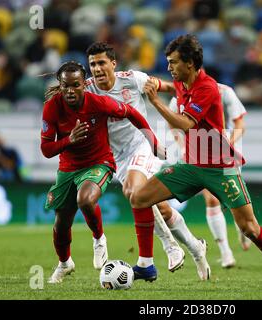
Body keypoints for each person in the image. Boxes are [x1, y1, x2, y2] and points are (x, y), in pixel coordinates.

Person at [131, 34, 262, 292]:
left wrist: (155, 101)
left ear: (191, 64)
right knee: (139, 198)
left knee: (249, 228)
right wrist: (150, 83)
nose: (170, 67)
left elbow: (184, 123)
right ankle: (146, 264)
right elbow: (173, 86)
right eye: (169, 62)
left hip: (220, 168)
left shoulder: (207, 88)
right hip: (192, 166)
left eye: (174, 62)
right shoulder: (183, 81)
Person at [84, 42, 210, 280]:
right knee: (159, 207)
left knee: (135, 192)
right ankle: (196, 248)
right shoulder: (87, 89)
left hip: (142, 144)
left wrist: (192, 98)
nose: (97, 69)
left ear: (113, 64)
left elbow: (170, 87)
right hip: (116, 156)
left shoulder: (132, 79)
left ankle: (159, 254)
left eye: (101, 63)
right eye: (92, 64)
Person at [41, 61, 163, 283]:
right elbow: (46, 149)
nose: (70, 90)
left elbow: (132, 113)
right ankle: (65, 263)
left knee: (85, 200)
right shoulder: (52, 107)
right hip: (68, 168)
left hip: (99, 162)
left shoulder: (98, 102)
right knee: (61, 223)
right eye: (65, 86)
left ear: (83, 85)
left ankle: (99, 239)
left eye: (76, 85)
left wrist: (152, 140)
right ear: (60, 85)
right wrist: (70, 140)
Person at [168, 83, 252, 269]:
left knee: (234, 202)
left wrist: (225, 143)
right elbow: (172, 122)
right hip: (203, 158)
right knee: (212, 199)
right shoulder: (180, 94)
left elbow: (240, 124)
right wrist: (181, 145)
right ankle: (226, 253)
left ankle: (242, 229)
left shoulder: (224, 92)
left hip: (227, 156)